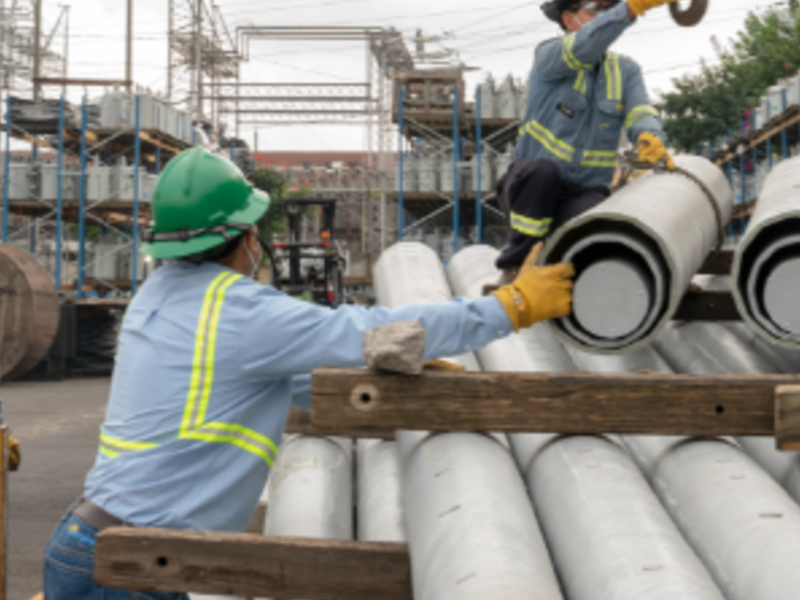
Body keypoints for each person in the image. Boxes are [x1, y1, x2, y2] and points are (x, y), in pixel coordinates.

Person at [42, 147, 575, 599]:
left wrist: (374, 379)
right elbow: (372, 326)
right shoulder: (239, 309)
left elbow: (262, 383)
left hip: (93, 547)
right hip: (126, 570)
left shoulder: (156, 296)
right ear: (246, 235)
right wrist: (513, 307)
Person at [496, 0, 678, 281]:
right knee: (542, 173)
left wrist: (648, 135)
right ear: (569, 20)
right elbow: (585, 46)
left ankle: (577, 268)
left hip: (583, 191)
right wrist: (630, 7)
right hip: (531, 189)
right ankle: (517, 263)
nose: (605, 16)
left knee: (592, 228)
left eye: (609, 8)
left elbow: (641, 110)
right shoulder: (550, 57)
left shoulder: (625, 70)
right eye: (596, 8)